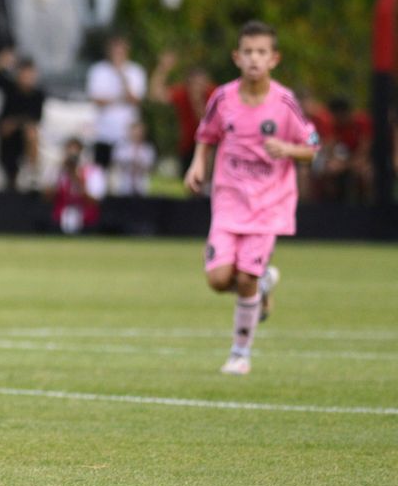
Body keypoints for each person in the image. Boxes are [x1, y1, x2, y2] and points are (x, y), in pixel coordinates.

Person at [184, 20, 319, 376]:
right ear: (236, 57)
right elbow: (206, 134)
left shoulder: (285, 102)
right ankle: (264, 283)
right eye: (248, 52)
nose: (254, 59)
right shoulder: (223, 98)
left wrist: (288, 148)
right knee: (217, 281)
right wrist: (197, 165)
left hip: (268, 205)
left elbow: (312, 148)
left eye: (262, 52)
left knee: (244, 279)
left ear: (274, 59)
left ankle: (239, 353)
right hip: (229, 200)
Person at [0, 48, 44, 191]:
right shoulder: (8, 87)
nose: (29, 77)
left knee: (31, 133)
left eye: (31, 73)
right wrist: (0, 61)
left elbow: (34, 121)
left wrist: (14, 123)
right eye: (25, 73)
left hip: (21, 140)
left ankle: (32, 175)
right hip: (2, 138)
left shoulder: (38, 95)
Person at [148, 50, 215, 176]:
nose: (197, 87)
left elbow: (205, 121)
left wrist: (197, 101)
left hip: (209, 144)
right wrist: (163, 69)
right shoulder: (183, 93)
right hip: (188, 144)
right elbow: (155, 95)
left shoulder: (213, 93)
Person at [86, 33, 146, 170]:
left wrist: (121, 76)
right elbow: (96, 99)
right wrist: (119, 99)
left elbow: (135, 100)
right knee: (100, 171)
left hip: (126, 133)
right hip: (103, 132)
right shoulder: (98, 70)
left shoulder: (135, 71)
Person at [318, 96, 373, 203]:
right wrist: (333, 161)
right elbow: (330, 147)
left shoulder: (362, 122)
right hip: (347, 160)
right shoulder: (334, 126)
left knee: (366, 174)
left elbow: (365, 149)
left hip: (367, 159)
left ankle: (368, 206)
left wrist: (347, 164)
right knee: (328, 171)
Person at [47, 137, 106, 234]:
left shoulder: (93, 171)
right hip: (59, 221)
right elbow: (47, 196)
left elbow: (95, 200)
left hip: (87, 222)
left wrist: (76, 177)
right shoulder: (58, 170)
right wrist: (59, 172)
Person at [109, 120, 156, 196]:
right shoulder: (121, 147)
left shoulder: (148, 149)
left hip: (141, 186)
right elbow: (116, 164)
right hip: (123, 185)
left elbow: (149, 167)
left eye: (140, 132)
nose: (137, 134)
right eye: (135, 131)